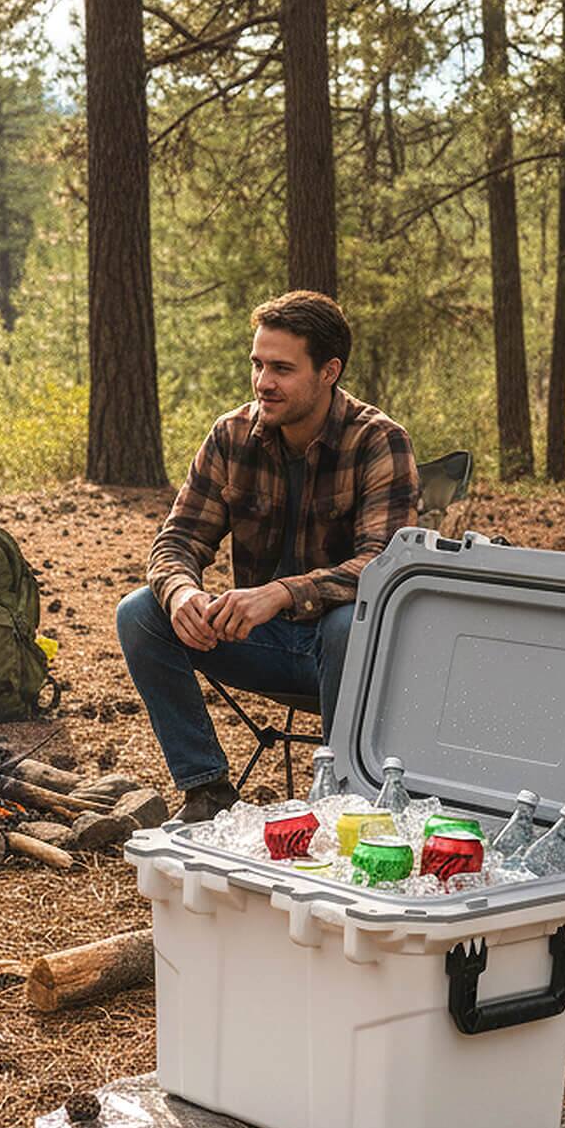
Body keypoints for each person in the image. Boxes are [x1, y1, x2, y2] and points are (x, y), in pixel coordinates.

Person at [115, 290, 418, 820]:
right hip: (262, 643)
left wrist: (281, 594)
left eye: (282, 368)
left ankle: (345, 801)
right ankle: (207, 791)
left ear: (329, 372)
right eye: (258, 364)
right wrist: (182, 593)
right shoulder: (231, 435)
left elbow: (381, 567)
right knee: (141, 612)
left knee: (347, 624)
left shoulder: (378, 441)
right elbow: (177, 540)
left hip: (352, 655)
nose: (263, 382)